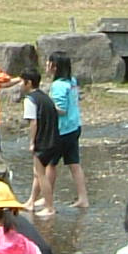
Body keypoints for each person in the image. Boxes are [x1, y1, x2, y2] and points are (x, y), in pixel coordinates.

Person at [47, 53, 89, 209]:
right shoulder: (72, 81)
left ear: (54, 67)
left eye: (48, 63)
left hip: (61, 130)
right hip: (74, 127)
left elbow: (61, 110)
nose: (46, 65)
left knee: (50, 165)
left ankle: (47, 197)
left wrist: (46, 105)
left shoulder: (57, 85)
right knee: (74, 164)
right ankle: (83, 198)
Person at [19, 68, 60, 216]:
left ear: (28, 83)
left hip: (43, 142)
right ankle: (31, 202)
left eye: (22, 82)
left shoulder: (30, 99)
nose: (20, 85)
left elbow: (34, 123)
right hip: (54, 139)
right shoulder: (45, 97)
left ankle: (49, 207)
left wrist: (32, 142)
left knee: (41, 174)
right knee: (37, 172)